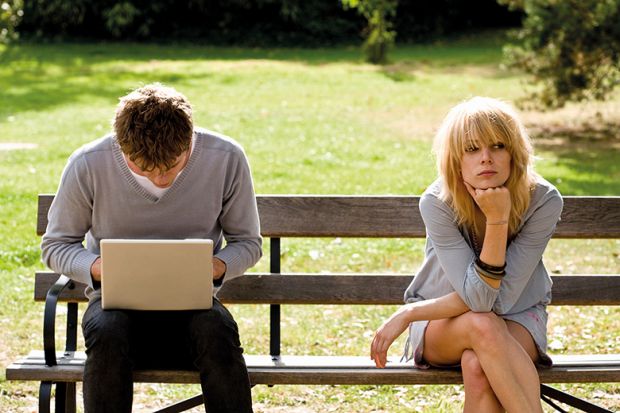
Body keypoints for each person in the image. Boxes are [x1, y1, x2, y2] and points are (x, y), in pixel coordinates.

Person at [41, 83, 262, 413]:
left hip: (195, 312)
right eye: (144, 168)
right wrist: (99, 268)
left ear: (189, 141)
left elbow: (248, 242)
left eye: (172, 166)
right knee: (107, 330)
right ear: (122, 147)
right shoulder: (89, 163)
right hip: (113, 310)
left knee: (218, 330)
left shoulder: (226, 158)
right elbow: (56, 245)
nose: (160, 179)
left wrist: (216, 267)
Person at [370, 96, 563, 412]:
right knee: (482, 324)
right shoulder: (437, 202)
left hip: (518, 315)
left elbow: (498, 301)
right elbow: (480, 302)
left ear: (515, 153)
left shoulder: (543, 200)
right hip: (441, 322)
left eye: (498, 146)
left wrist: (408, 313)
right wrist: (416, 313)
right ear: (455, 159)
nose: (486, 158)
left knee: (478, 365)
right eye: (472, 149)